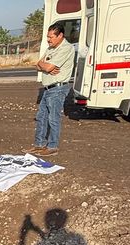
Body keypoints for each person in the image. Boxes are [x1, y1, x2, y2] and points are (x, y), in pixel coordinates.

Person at [24, 22, 74, 157]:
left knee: (53, 118)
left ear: (60, 35)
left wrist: (45, 66)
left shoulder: (66, 48)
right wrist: (43, 64)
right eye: (48, 36)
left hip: (58, 88)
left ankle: (52, 146)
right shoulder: (51, 48)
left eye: (51, 37)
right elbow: (39, 65)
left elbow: (47, 68)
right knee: (41, 117)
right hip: (48, 88)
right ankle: (39, 145)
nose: (48, 40)